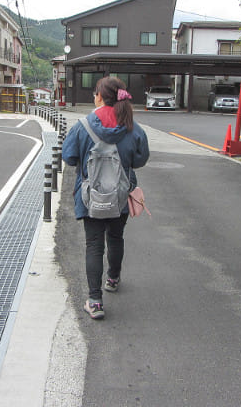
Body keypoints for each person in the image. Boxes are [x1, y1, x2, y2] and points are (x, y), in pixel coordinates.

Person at [62, 76, 149, 320]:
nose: (93, 97)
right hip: (120, 196)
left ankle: (95, 301)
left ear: (100, 96)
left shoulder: (83, 125)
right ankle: (113, 278)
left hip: (91, 198)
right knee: (115, 237)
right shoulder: (132, 127)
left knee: (93, 245)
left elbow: (68, 157)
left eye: (95, 93)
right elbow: (141, 160)